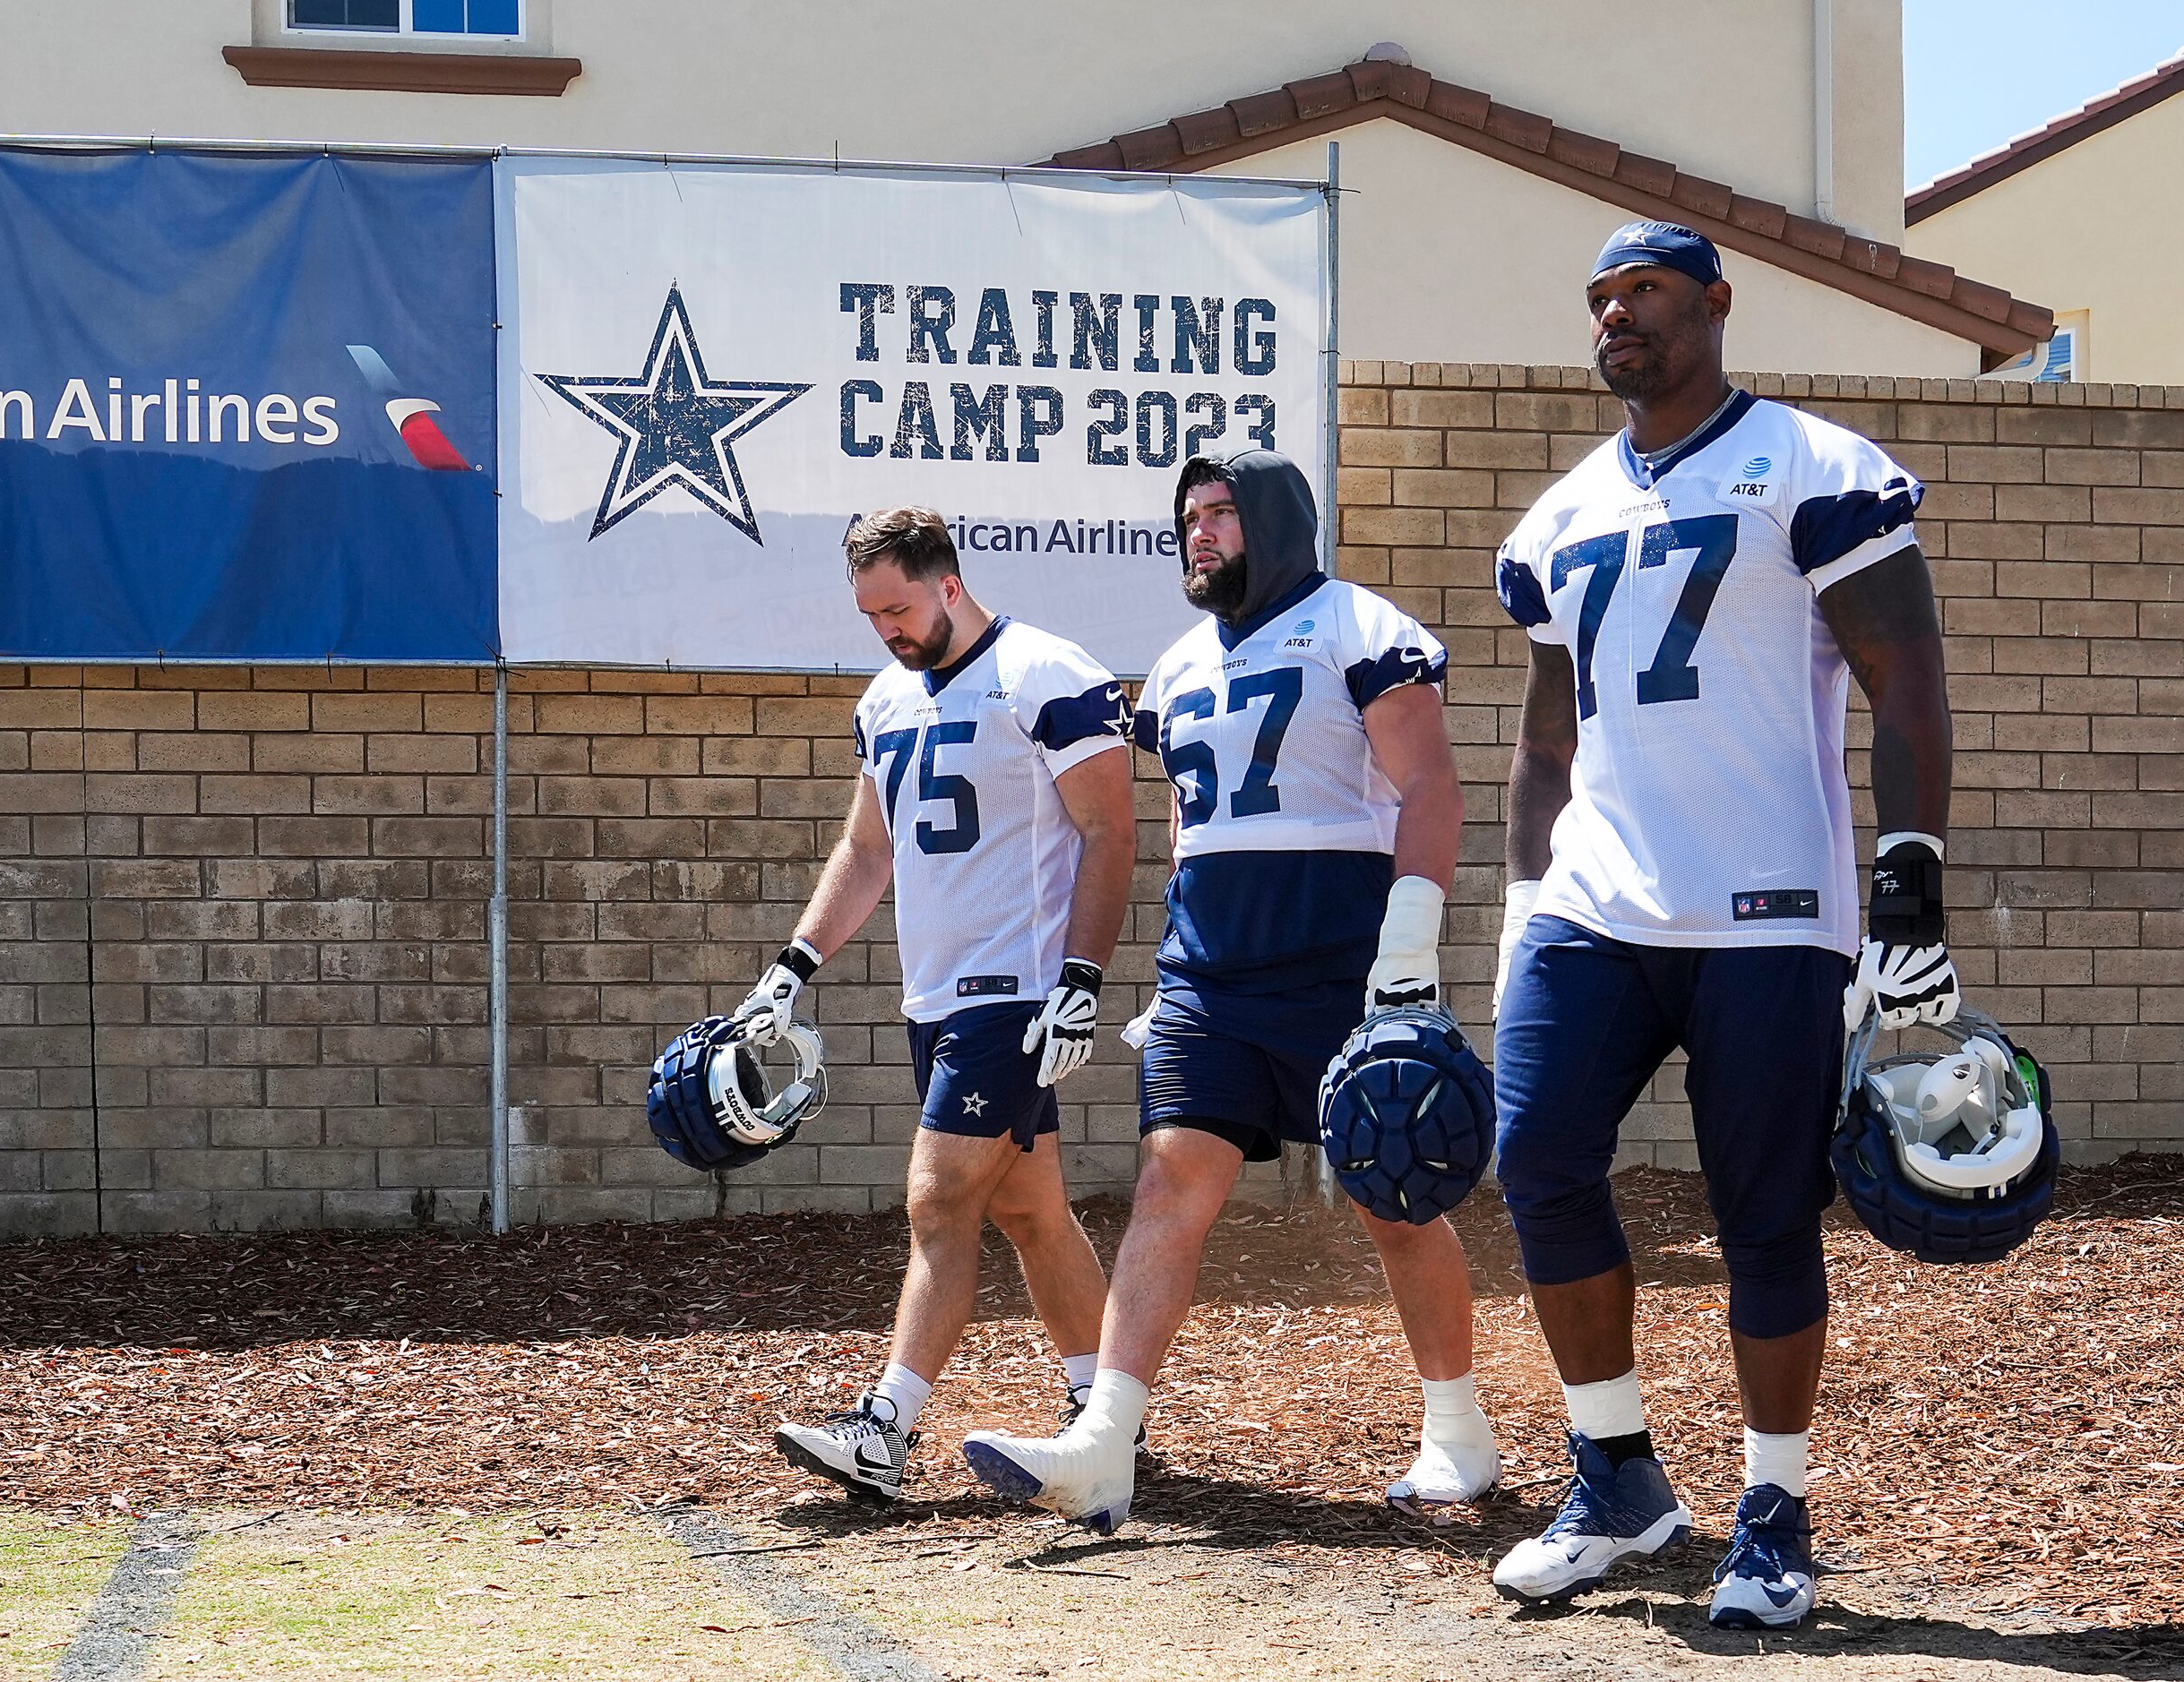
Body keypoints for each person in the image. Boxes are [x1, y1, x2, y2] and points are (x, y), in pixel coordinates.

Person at [1486, 222, 1957, 1629]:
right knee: (1537, 1158)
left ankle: (1773, 1505)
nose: (1614, 314)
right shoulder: (1558, 517)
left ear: (1712, 302)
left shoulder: (1811, 467)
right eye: (1596, 296)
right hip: (1596, 899)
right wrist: (1518, 907)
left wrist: (1909, 884)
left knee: (1761, 1213)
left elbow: (1906, 678)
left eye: (1640, 290)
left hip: (1767, 906)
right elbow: (1540, 748)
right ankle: (1616, 1474)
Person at [959, 447, 1499, 1533]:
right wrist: (1168, 961)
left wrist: (1409, 942)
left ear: (1274, 520)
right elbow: (1185, 824)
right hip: (1208, 975)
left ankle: (1458, 1431)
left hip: (1339, 961)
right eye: (1187, 515)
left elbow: (1428, 781)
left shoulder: (1358, 625)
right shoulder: (1172, 669)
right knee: (1168, 1185)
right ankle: (1103, 1446)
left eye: (1219, 512)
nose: (1198, 532)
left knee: (1388, 1197)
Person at [756, 506, 1137, 1503]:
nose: (885, 627)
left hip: (1013, 992)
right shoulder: (884, 701)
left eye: (897, 604)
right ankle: (1108, 1417)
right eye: (869, 612)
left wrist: (1081, 980)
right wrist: (795, 963)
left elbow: (1111, 834)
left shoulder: (1048, 674)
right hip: (934, 994)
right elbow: (867, 849)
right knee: (1028, 1209)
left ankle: (884, 1431)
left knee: (939, 1198)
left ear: (949, 583)